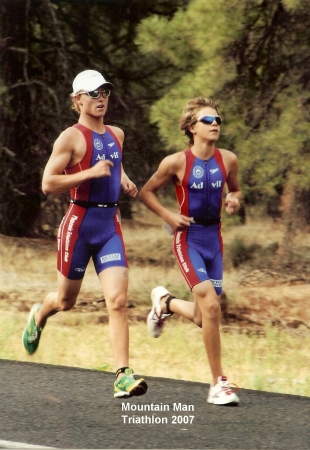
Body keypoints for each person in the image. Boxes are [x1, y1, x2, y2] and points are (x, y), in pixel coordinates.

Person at [22, 69, 147, 399]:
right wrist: (89, 173)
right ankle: (41, 312)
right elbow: (48, 184)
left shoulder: (117, 134)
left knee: (118, 302)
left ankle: (122, 374)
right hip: (78, 225)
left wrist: (122, 179)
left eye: (104, 91)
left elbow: (113, 163)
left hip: (110, 227)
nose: (101, 98)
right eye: (93, 93)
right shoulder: (70, 137)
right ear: (77, 100)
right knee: (66, 301)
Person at [138, 97, 241, 405]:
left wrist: (234, 198)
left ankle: (164, 303)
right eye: (208, 121)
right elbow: (146, 192)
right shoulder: (176, 162)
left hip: (215, 240)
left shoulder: (229, 159)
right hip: (188, 239)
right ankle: (217, 384)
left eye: (218, 120)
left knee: (202, 315)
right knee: (212, 308)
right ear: (192, 127)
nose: (215, 125)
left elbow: (235, 188)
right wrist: (168, 216)